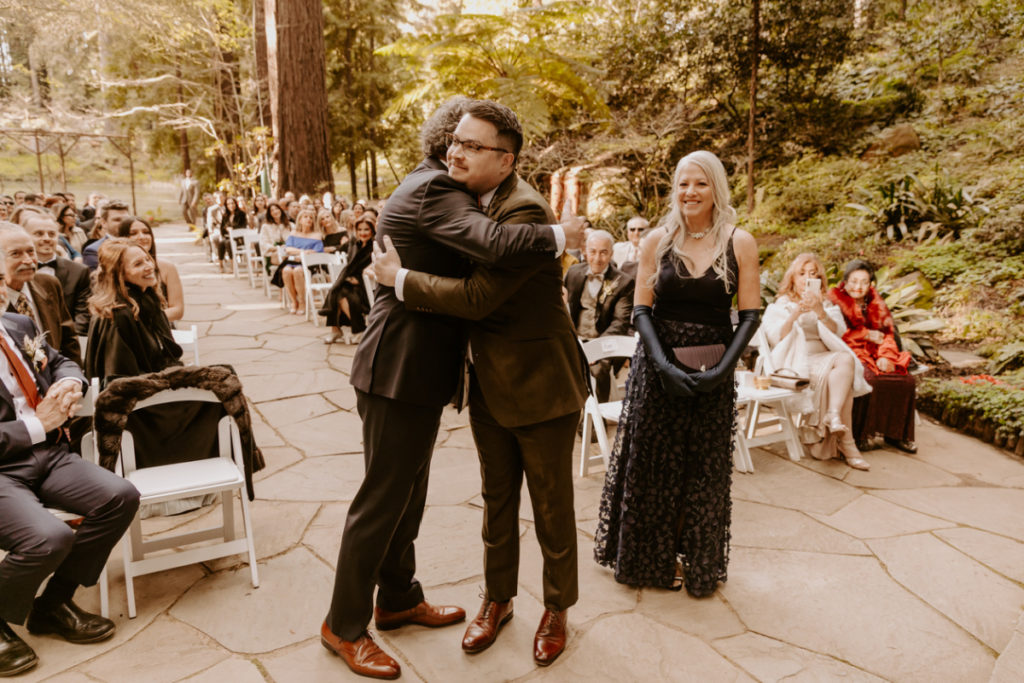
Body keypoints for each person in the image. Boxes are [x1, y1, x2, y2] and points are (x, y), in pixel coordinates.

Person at [321, 97, 583, 680]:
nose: (456, 152)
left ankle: (402, 598)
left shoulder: (510, 203)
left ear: (506, 159)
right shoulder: (438, 188)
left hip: (528, 381)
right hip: (402, 368)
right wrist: (562, 234)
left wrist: (401, 277)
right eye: (454, 141)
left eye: (471, 145)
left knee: (434, 496)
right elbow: (486, 259)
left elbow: (483, 290)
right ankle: (344, 624)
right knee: (387, 498)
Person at [594, 150, 761, 597]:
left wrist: (723, 371)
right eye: (684, 183)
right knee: (652, 467)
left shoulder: (739, 241)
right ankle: (651, 559)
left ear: (716, 188)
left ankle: (693, 559)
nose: (691, 192)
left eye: (701, 183)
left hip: (713, 368)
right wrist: (662, 365)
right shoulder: (657, 240)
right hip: (656, 366)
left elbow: (748, 316)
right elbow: (642, 311)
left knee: (701, 469)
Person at [0, 254, 139, 677]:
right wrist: (35, 425)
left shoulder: (16, 325)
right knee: (49, 537)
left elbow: (58, 359)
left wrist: (69, 380)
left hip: (50, 455)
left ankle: (53, 603)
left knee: (120, 496)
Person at [761, 253, 872, 469]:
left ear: (819, 278)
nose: (806, 277)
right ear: (792, 277)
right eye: (801, 273)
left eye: (812, 273)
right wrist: (795, 313)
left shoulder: (826, 303)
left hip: (826, 358)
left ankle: (833, 415)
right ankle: (848, 445)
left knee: (845, 360)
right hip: (796, 362)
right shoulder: (781, 304)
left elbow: (837, 332)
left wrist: (819, 310)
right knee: (844, 377)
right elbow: (777, 338)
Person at [829, 259, 917, 453]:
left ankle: (896, 434)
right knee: (869, 380)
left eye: (864, 282)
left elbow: (888, 334)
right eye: (853, 281)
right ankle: (860, 435)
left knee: (906, 380)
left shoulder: (876, 303)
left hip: (876, 352)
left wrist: (886, 356)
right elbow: (835, 334)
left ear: (870, 284)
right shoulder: (834, 302)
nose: (858, 287)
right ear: (845, 282)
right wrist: (865, 334)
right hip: (848, 352)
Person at [84, 239, 183, 382]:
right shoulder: (117, 314)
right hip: (137, 396)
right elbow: (120, 380)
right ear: (120, 274)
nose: (149, 266)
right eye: (138, 264)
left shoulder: (148, 300)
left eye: (147, 259)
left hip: (156, 384)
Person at [564, 229, 635, 401]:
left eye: (603, 253)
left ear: (611, 254)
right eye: (593, 252)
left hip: (604, 342)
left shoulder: (624, 282)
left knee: (598, 369)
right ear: (585, 252)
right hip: (575, 340)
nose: (597, 258)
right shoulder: (573, 273)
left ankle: (598, 421)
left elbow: (620, 323)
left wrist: (594, 351)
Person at [0, 223, 82, 367]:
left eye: (31, 252)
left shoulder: (48, 284)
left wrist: (73, 378)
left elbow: (68, 339)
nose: (28, 260)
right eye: (15, 254)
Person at [24, 216, 91, 336]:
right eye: (39, 234)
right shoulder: (15, 270)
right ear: (25, 237)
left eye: (52, 234)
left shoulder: (78, 271)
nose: (47, 238)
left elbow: (83, 316)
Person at [117, 216, 185, 323]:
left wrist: (145, 320)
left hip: (160, 326)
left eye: (146, 232)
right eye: (133, 233)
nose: (142, 237)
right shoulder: (116, 268)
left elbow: (178, 310)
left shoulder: (167, 267)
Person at [320, 216, 375, 344]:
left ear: (372, 230)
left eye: (366, 229)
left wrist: (359, 280)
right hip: (350, 281)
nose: (363, 233)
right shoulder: (354, 243)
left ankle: (355, 330)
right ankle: (340, 330)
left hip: (368, 286)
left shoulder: (375, 246)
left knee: (341, 293)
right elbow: (337, 250)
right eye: (360, 229)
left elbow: (376, 268)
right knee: (338, 290)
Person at [270, 208, 323, 315]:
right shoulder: (294, 233)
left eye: (311, 218)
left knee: (298, 271)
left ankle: (302, 301)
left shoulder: (317, 235)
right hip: (293, 260)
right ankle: (294, 301)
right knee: (286, 271)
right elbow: (288, 249)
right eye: (305, 217)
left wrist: (303, 255)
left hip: (309, 263)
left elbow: (317, 251)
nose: (308, 219)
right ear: (299, 220)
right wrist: (302, 252)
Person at [81, 200, 130, 270]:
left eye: (126, 219)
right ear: (103, 223)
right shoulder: (94, 251)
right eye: (117, 220)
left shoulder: (138, 243)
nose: (123, 223)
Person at [214, 196, 247, 273]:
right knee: (221, 243)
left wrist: (233, 229)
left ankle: (233, 267)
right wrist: (226, 230)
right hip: (228, 237)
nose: (231, 205)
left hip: (239, 238)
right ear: (226, 205)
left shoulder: (241, 214)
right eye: (228, 204)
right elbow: (222, 228)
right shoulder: (225, 215)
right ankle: (221, 266)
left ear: (236, 204)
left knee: (228, 242)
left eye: (232, 203)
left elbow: (243, 227)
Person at [259, 201, 289, 275]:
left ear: (280, 210)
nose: (275, 211)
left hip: (288, 251)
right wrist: (276, 248)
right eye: (272, 210)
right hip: (272, 253)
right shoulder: (265, 227)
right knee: (283, 255)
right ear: (270, 214)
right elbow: (264, 243)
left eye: (277, 209)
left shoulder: (288, 225)